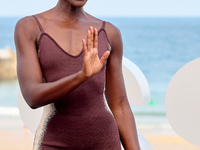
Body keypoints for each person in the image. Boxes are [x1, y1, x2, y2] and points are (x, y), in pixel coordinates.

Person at [14, 0, 140, 149]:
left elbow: (119, 105)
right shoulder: (30, 27)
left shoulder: (110, 32)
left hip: (105, 142)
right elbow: (32, 97)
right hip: (55, 142)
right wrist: (81, 76)